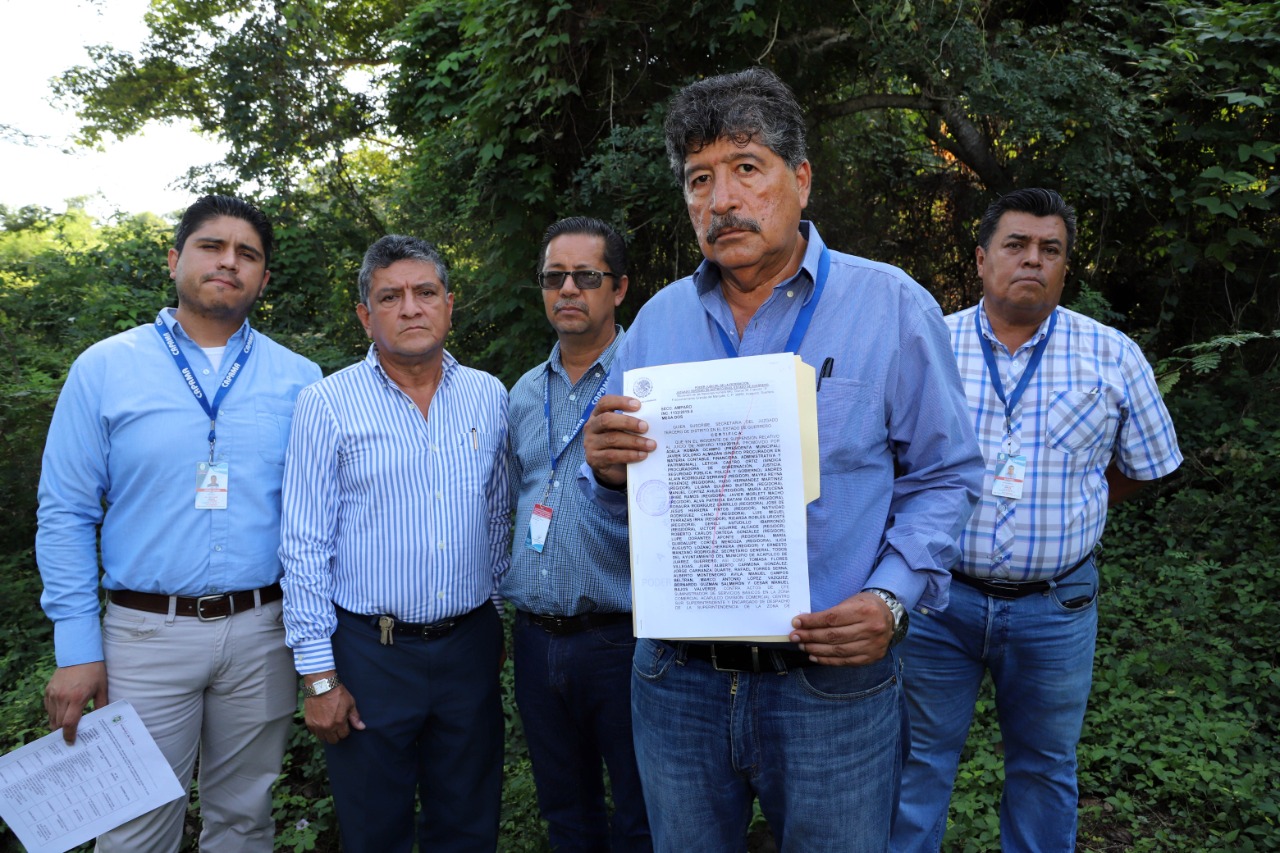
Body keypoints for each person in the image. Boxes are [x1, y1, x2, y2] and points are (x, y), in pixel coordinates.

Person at [580, 67, 985, 851]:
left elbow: (946, 474)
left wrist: (891, 599)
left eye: (746, 168)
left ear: (799, 179)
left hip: (831, 682)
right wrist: (604, 469)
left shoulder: (891, 305)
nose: (722, 200)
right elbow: (624, 500)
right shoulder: (657, 323)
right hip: (676, 682)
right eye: (700, 179)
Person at [891, 188, 1183, 852]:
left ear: (1066, 265)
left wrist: (1079, 505)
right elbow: (888, 462)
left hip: (1057, 607)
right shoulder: (926, 344)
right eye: (1015, 245)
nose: (1033, 260)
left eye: (1050, 249)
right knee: (917, 762)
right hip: (940, 601)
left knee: (1045, 769)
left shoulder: (1112, 355)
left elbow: (1147, 466)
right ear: (981, 259)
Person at [36, 195, 322, 851]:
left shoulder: (301, 381)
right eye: (211, 246)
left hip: (262, 633)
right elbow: (66, 512)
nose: (229, 261)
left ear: (264, 278)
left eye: (247, 253)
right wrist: (78, 647)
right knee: (134, 828)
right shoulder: (105, 368)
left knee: (246, 821)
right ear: (174, 259)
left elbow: (316, 523)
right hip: (143, 636)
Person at [279, 234, 510, 852]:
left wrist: (498, 618)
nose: (411, 308)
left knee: (468, 822)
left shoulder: (489, 395)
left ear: (449, 304)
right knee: (374, 828)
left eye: (425, 292)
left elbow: (498, 516)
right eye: (391, 296)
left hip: (469, 646)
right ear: (366, 314)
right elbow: (303, 545)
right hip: (368, 653)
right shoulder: (326, 404)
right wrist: (318, 677)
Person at [502, 216, 650, 852]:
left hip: (623, 638)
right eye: (554, 277)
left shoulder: (648, 382)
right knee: (566, 815)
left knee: (642, 813)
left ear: (618, 289)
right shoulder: (522, 394)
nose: (568, 289)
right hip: (535, 641)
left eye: (586, 276)